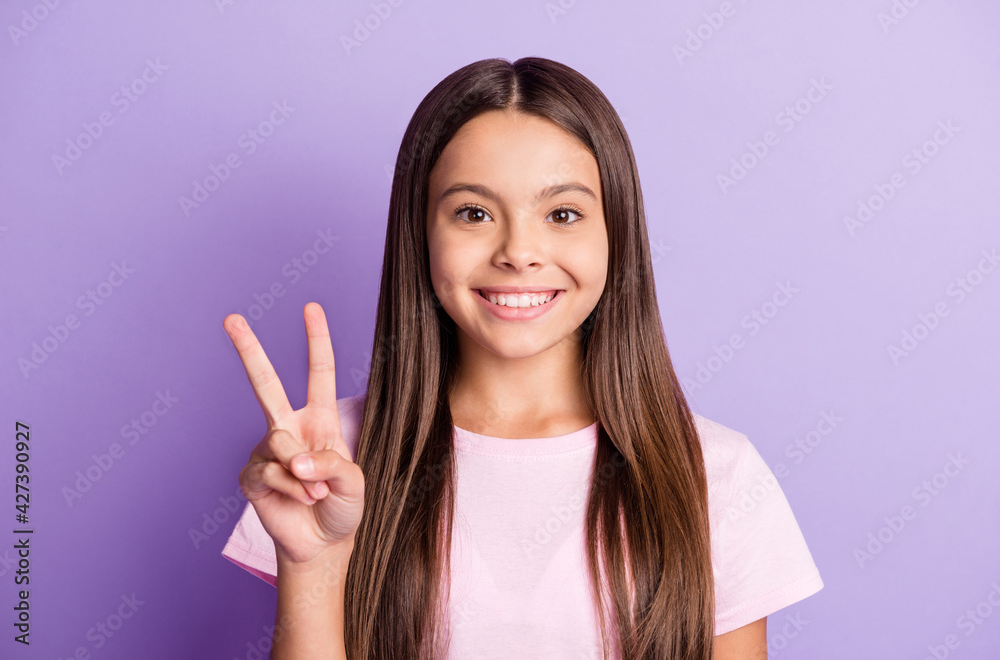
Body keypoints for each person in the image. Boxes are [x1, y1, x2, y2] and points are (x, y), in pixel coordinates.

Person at [220, 56, 823, 659]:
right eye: (474, 213)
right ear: (420, 235)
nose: (519, 251)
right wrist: (311, 562)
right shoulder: (332, 464)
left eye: (563, 214)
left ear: (616, 233)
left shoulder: (716, 474)